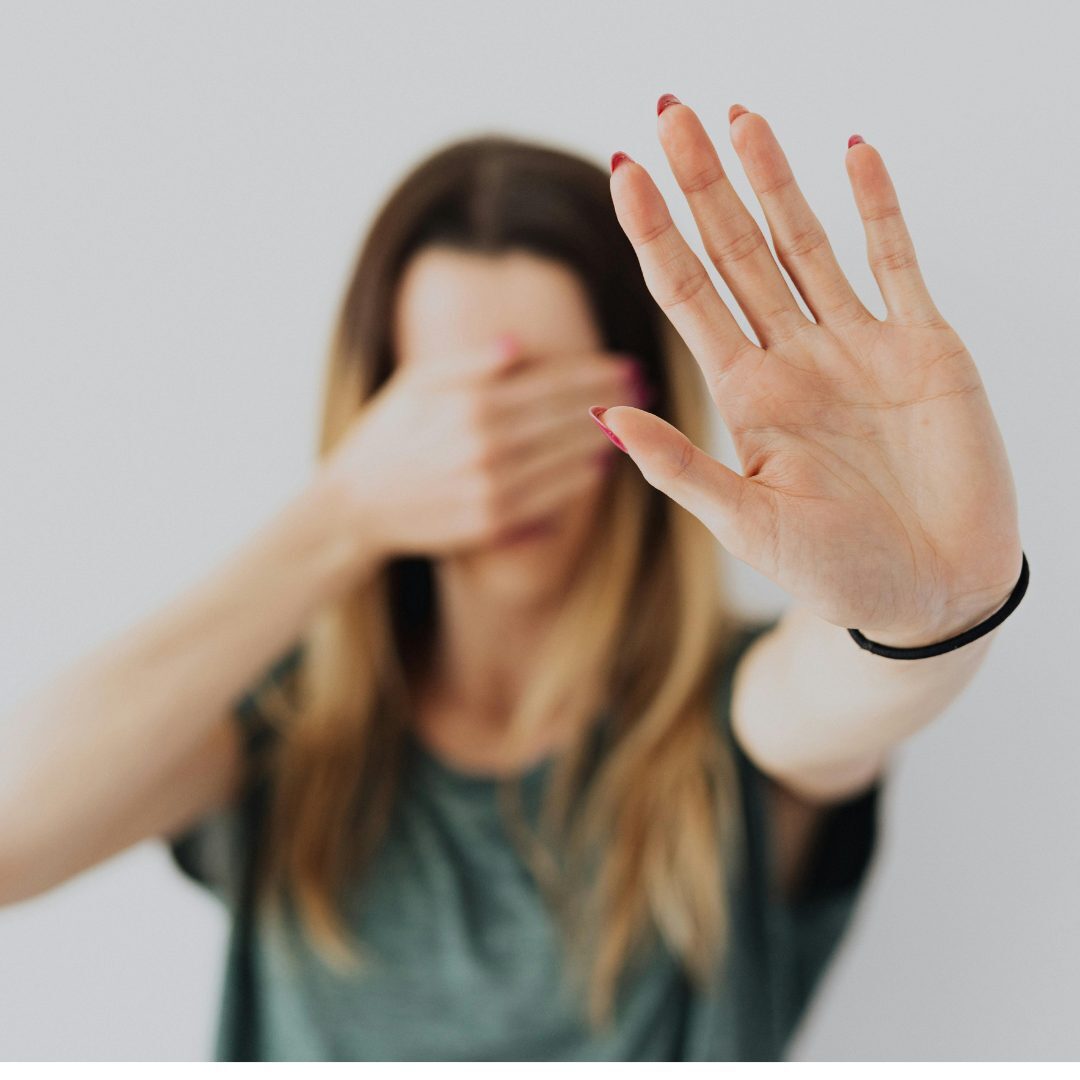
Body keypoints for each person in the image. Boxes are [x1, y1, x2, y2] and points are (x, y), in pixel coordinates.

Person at [0, 96, 1023, 1061]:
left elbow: (855, 684)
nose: (493, 453)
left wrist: (941, 609)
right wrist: (343, 511)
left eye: (549, 400)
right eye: (451, 403)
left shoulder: (724, 720)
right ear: (375, 410)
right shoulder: (282, 733)